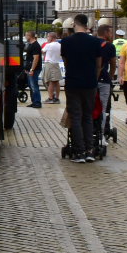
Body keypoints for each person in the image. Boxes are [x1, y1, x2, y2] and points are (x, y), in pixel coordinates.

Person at [59, 13, 103, 162]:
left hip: (72, 83)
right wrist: (94, 79)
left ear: (74, 24)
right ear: (87, 25)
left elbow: (65, 62)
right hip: (90, 83)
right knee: (88, 116)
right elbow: (98, 65)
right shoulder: (95, 42)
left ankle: (79, 152)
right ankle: (90, 150)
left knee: (76, 117)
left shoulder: (66, 42)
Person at [40, 30, 63, 103]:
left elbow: (42, 51)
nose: (47, 38)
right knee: (56, 82)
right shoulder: (60, 45)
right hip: (56, 63)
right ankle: (57, 98)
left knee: (50, 82)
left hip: (49, 64)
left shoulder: (48, 45)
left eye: (48, 36)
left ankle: (50, 98)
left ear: (51, 37)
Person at [23, 30, 43, 108]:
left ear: (29, 36)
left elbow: (36, 58)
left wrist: (32, 69)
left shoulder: (35, 45)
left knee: (34, 86)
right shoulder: (31, 45)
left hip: (34, 69)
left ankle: (37, 102)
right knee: (31, 86)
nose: (25, 37)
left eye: (26, 35)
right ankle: (34, 101)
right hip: (30, 69)